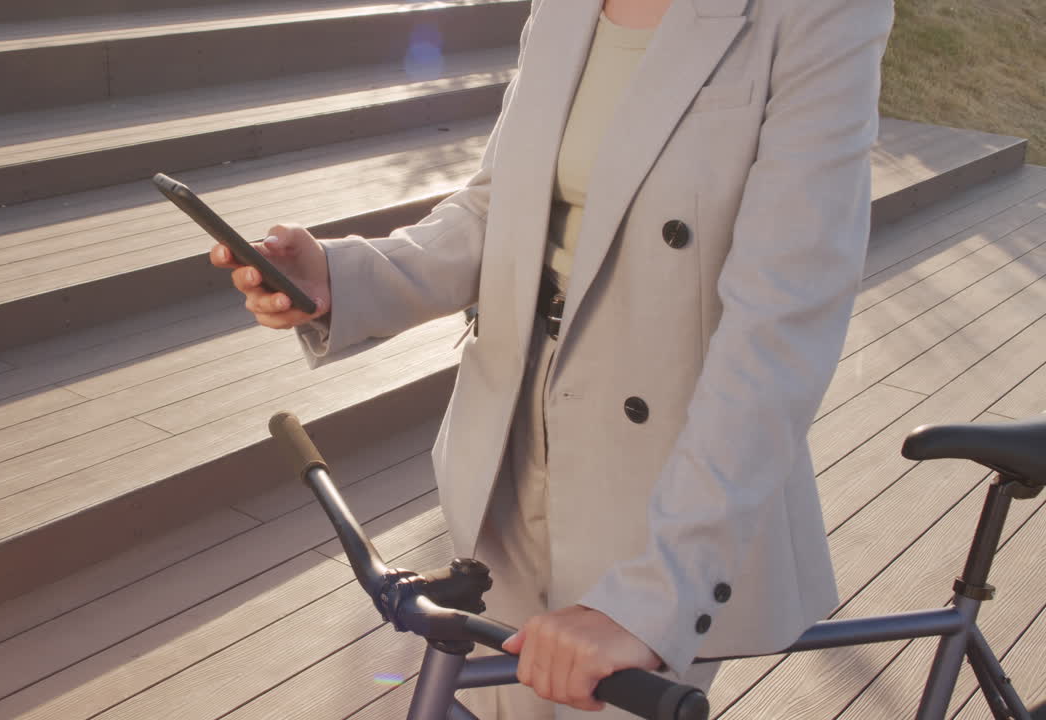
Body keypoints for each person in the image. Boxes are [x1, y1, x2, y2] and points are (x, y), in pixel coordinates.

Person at [211, 0, 894, 716]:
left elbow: (779, 326)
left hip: (664, 495)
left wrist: (655, 594)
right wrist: (345, 277)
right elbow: (498, 206)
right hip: (508, 459)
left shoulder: (823, 11)